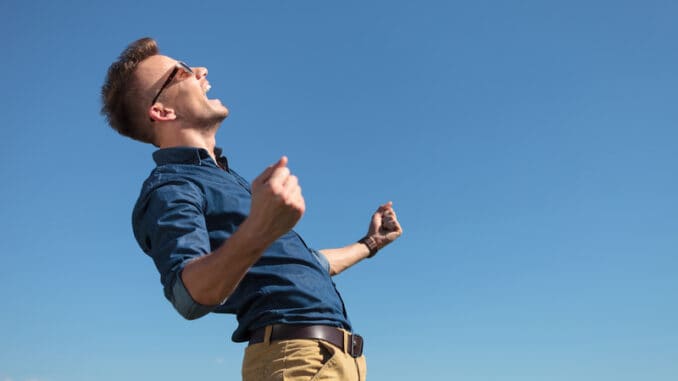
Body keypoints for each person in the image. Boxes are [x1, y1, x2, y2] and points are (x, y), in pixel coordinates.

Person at [101, 37, 403, 381]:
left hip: (337, 361)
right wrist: (260, 228)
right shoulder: (172, 187)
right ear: (162, 111)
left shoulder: (229, 180)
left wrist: (371, 243)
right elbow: (188, 295)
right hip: (297, 361)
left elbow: (308, 266)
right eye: (182, 72)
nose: (201, 71)